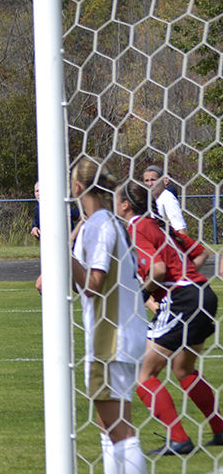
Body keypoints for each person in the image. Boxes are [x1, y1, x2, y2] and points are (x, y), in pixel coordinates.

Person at [39, 158, 147, 473]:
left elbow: (94, 283)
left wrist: (59, 248)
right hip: (123, 336)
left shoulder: (99, 224)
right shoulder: (109, 222)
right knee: (107, 426)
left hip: (110, 340)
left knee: (119, 430)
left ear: (76, 187)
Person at [117, 180, 223, 456]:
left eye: (116, 199)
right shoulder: (159, 225)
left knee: (144, 374)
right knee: (183, 369)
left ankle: (179, 439)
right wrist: (186, 276)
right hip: (203, 293)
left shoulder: (138, 227)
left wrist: (145, 293)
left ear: (126, 204)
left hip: (182, 300)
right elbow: (199, 253)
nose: (114, 204)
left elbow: (159, 270)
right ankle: (221, 429)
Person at [142, 165, 187, 235]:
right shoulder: (147, 199)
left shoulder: (167, 198)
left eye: (153, 180)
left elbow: (180, 229)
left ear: (161, 180)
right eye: (147, 180)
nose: (150, 184)